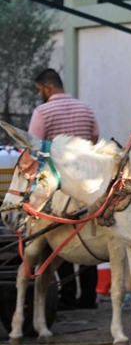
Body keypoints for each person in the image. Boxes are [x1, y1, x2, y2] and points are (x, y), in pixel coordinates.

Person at [28, 68, 100, 311]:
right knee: (90, 232)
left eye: (39, 90)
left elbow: (33, 149)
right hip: (88, 183)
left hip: (60, 184)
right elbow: (95, 140)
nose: (40, 95)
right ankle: (88, 297)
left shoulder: (43, 111)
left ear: (47, 88)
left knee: (59, 237)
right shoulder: (86, 108)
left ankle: (68, 295)